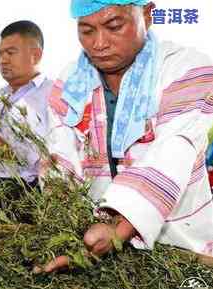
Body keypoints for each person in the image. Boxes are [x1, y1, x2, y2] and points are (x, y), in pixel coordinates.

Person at [36, 0, 213, 273]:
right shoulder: (70, 83)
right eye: (86, 30)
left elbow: (172, 152)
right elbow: (59, 156)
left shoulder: (186, 69)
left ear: (147, 14)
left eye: (114, 26)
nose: (99, 43)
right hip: (94, 240)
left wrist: (122, 225)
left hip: (179, 241)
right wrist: (62, 221)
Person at [0, 20, 55, 222]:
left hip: (22, 195)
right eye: (0, 53)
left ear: (35, 55)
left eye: (11, 52)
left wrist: (6, 150)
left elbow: (53, 155)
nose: (3, 60)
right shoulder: (3, 97)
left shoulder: (52, 95)